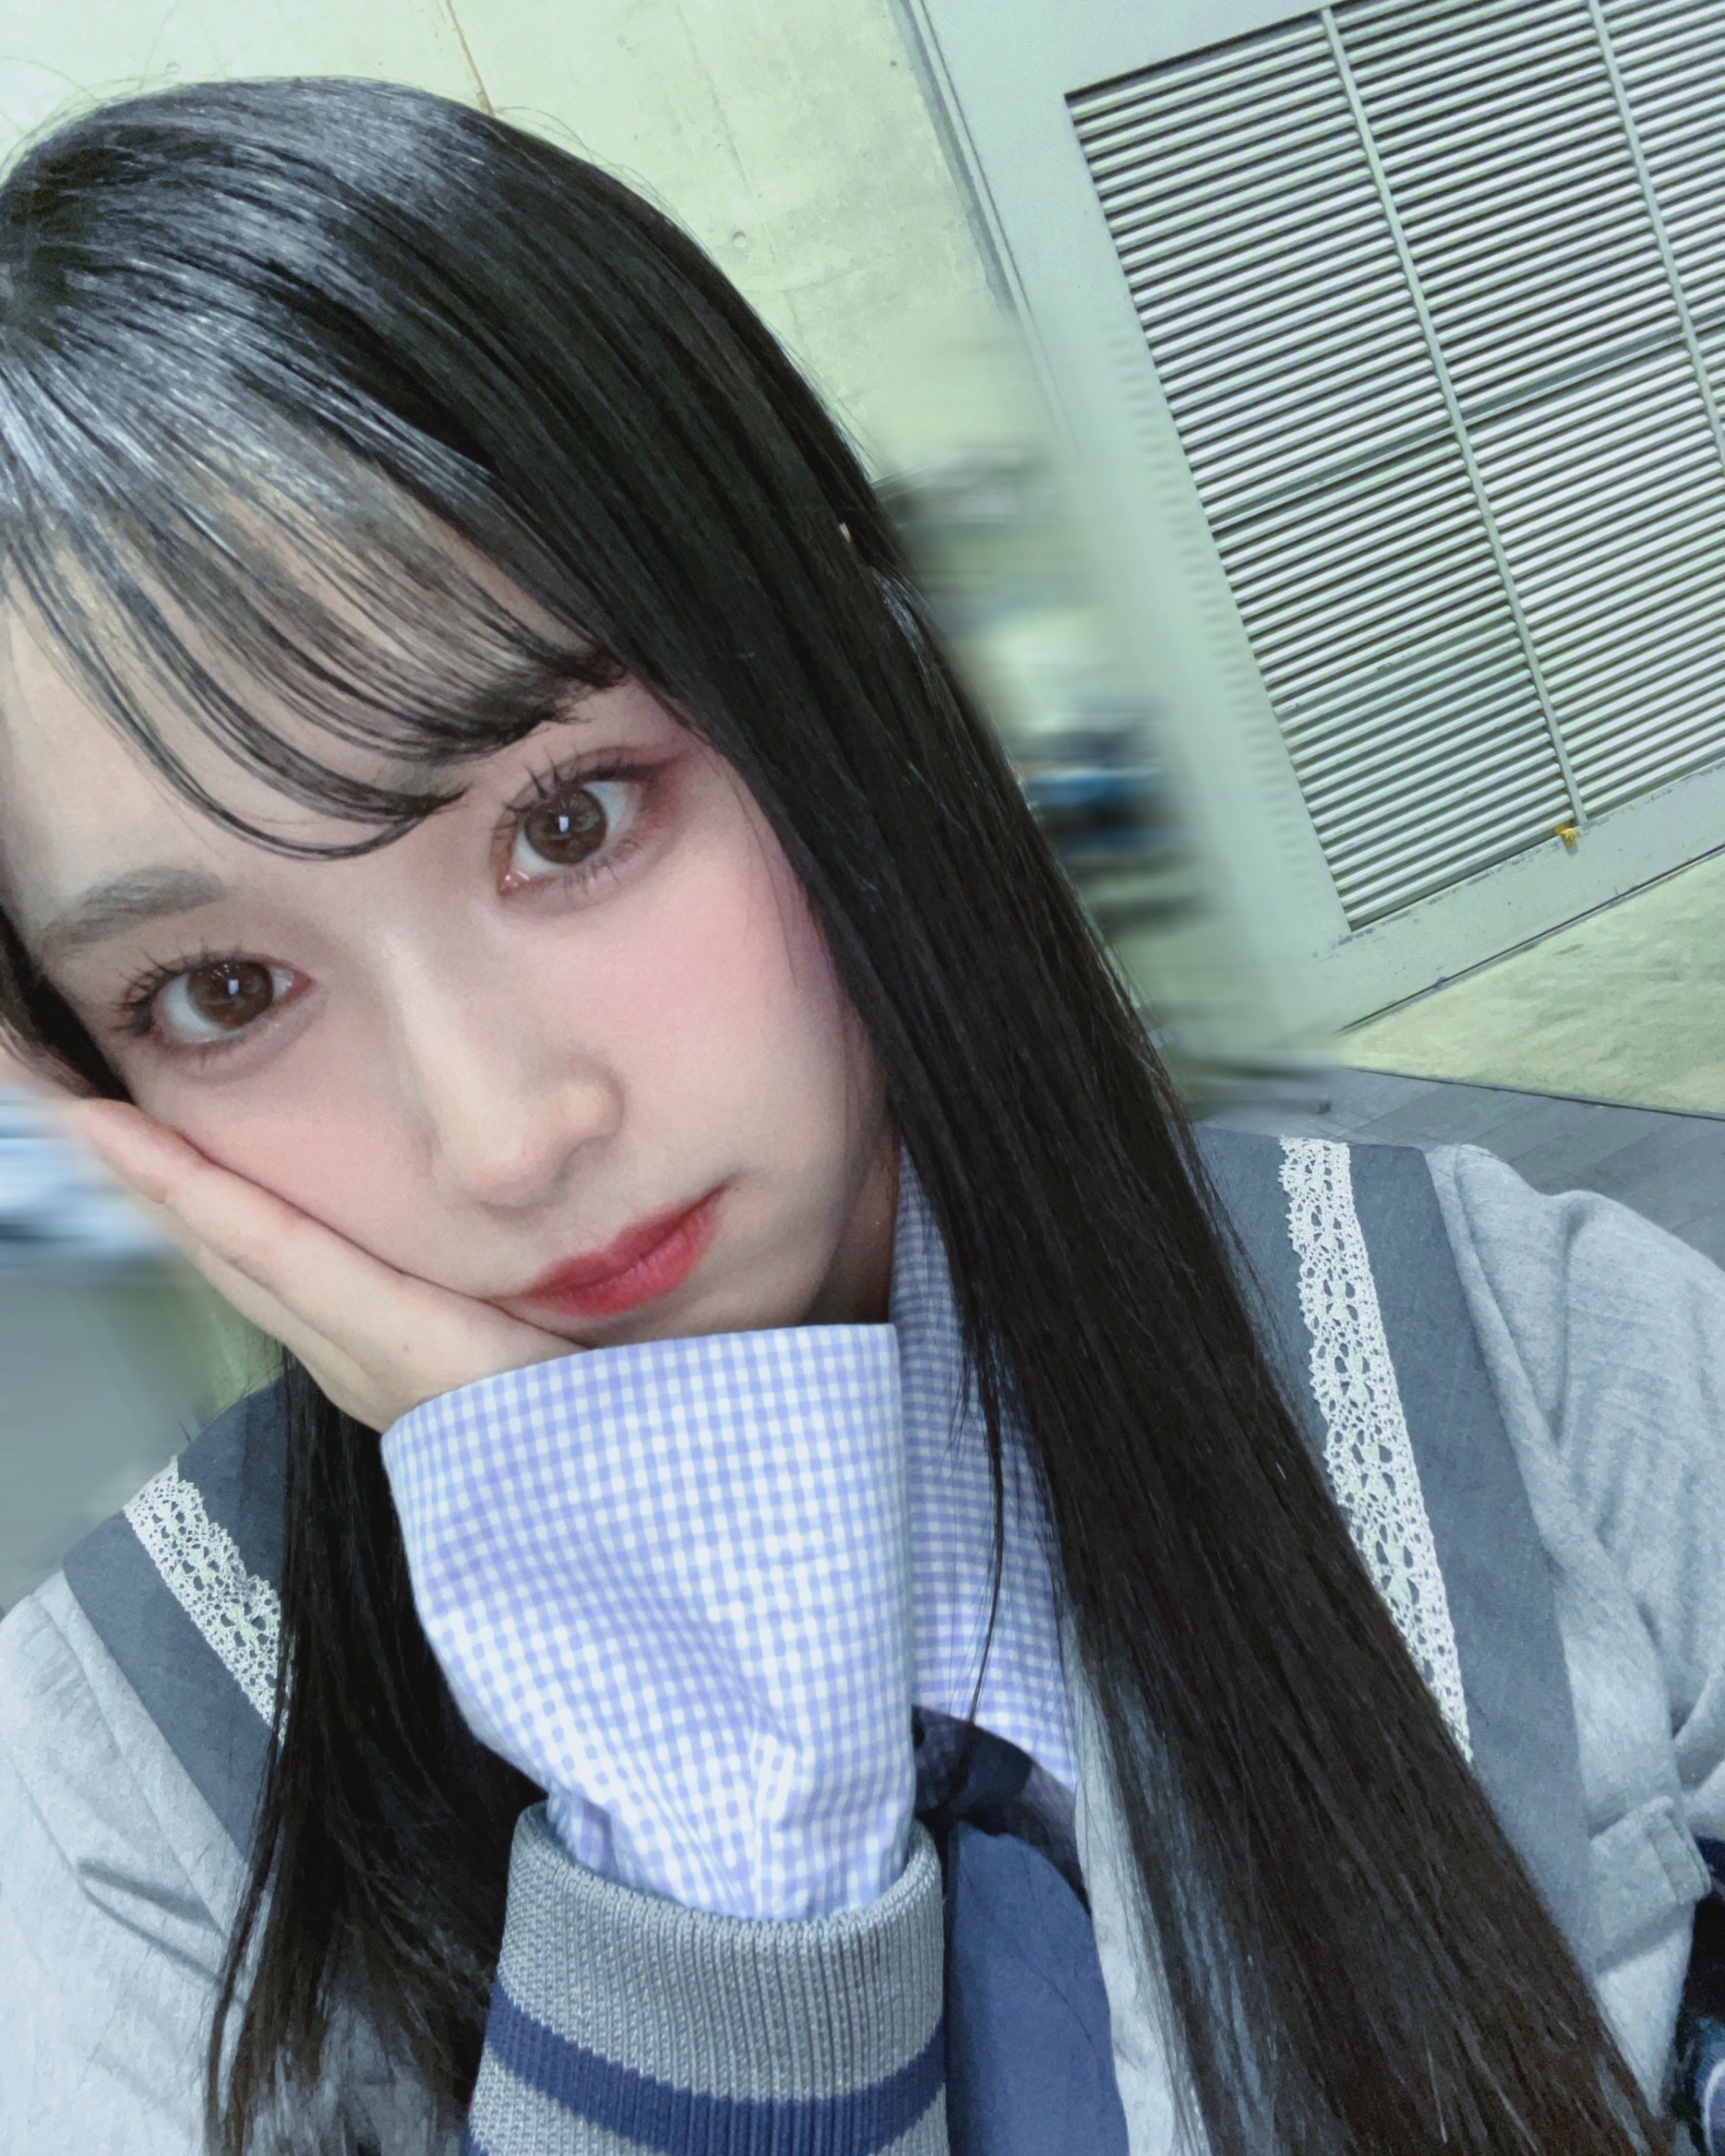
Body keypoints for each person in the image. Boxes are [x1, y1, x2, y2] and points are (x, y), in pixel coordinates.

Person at [0, 74, 1719, 2156]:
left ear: (839, 682)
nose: (505, 1137)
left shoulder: (1531, 1349)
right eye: (221, 992)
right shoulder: (120, 1779)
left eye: (572, 818)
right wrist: (707, 1841)